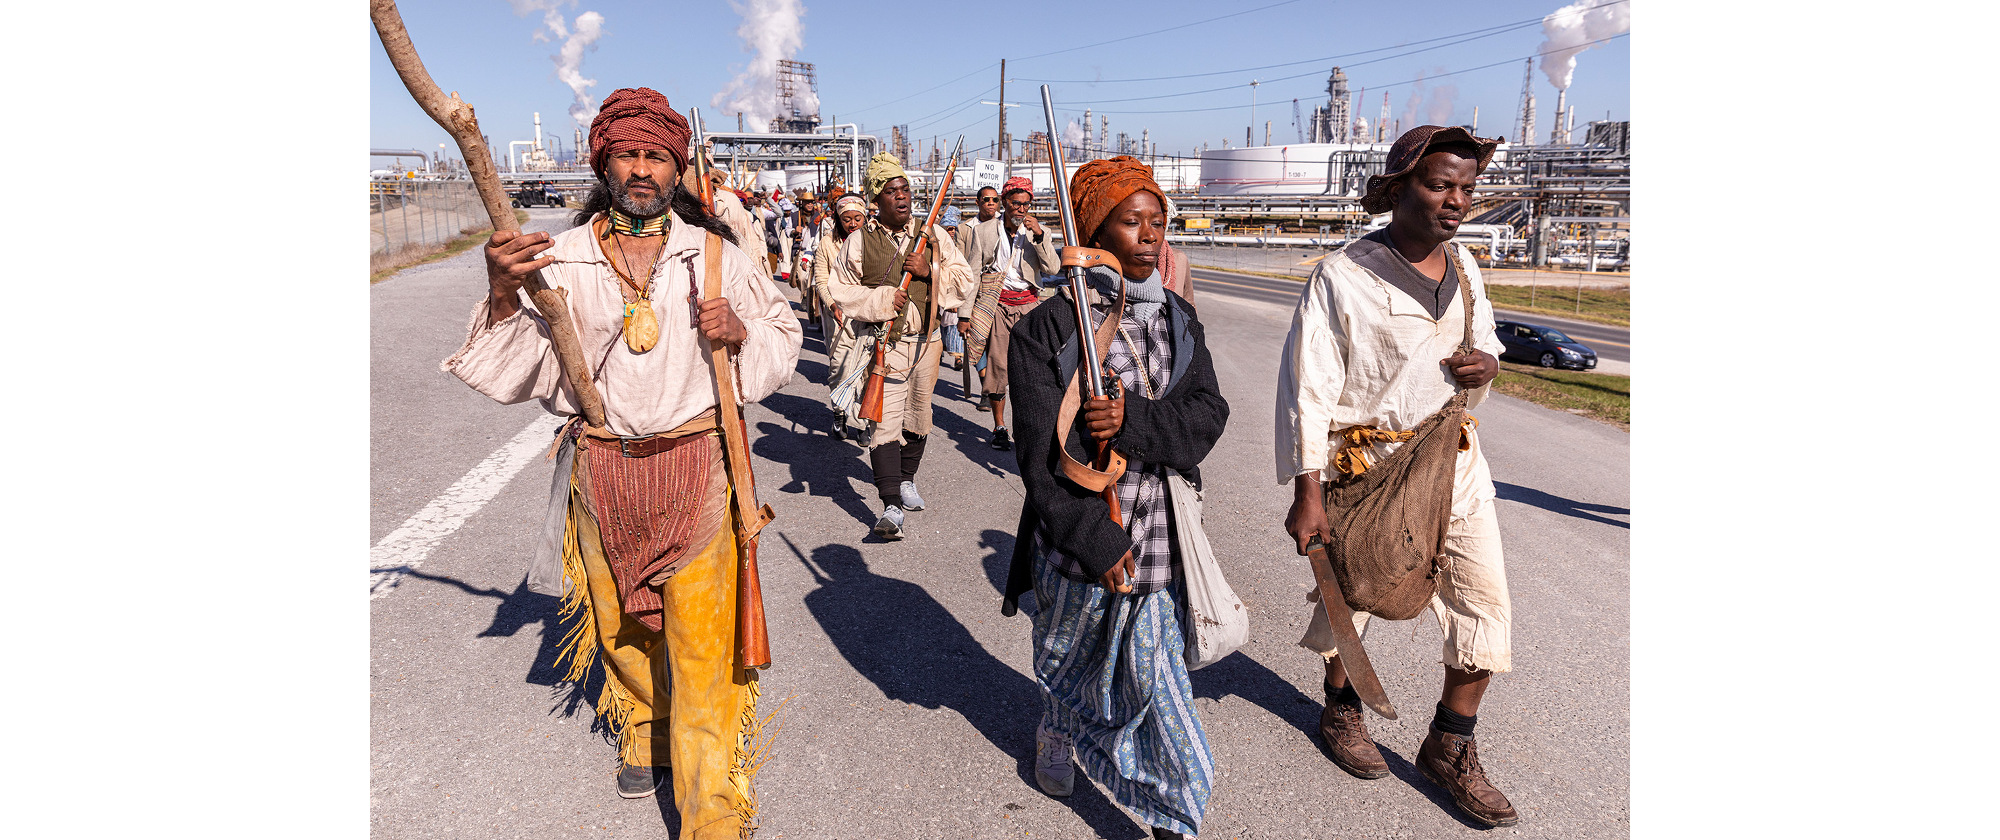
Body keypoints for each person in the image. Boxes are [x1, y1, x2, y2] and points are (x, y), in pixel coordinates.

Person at [441, 87, 802, 837]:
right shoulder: (560, 259)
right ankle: (645, 726)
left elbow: (782, 332)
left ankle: (712, 814)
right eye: (628, 154)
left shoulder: (716, 256)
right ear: (604, 164)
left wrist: (739, 332)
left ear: (678, 168)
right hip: (603, 472)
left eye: (657, 156)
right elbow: (521, 366)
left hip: (697, 469)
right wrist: (504, 293)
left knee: (706, 652)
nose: (642, 169)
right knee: (623, 633)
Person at [1274, 125, 1518, 827]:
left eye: (1466, 188)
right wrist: (1309, 493)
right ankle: (1341, 707)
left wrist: (1487, 365)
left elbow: (1488, 341)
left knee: (1485, 604)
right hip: (1370, 468)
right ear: (1398, 188)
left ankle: (1450, 744)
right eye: (1440, 185)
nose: (1456, 201)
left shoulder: (1465, 267)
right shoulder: (1343, 276)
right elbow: (1308, 391)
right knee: (1357, 594)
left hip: (1455, 461)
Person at [1001, 156, 1229, 840]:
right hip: (1078, 536)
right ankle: (1057, 728)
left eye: (1159, 221)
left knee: (1159, 685)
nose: (1150, 235)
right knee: (1067, 657)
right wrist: (1096, 540)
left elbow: (1209, 415)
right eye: (1132, 222)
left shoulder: (1178, 318)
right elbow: (1039, 458)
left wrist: (1133, 421)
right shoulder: (1048, 328)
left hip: (1157, 535)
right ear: (1096, 231)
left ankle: (1176, 817)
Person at [825, 153, 975, 539]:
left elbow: (964, 279)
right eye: (892, 191)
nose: (902, 196)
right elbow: (840, 289)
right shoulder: (859, 240)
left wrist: (931, 270)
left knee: (919, 416)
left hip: (928, 343)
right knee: (885, 422)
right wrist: (881, 300)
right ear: (877, 199)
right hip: (885, 345)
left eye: (905, 189)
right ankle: (890, 505)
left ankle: (907, 479)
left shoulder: (933, 235)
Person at [958, 175, 1059, 451]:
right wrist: (964, 315)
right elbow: (973, 273)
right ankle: (1000, 426)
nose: (1021, 210)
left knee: (1033, 369)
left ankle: (1030, 427)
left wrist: (1039, 237)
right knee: (998, 368)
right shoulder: (984, 231)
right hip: (998, 306)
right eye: (1016, 204)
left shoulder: (1039, 231)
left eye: (1026, 205)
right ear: (1005, 203)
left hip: (1028, 306)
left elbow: (1052, 269)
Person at [815, 191, 870, 439]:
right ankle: (839, 413)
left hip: (869, 314)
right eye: (847, 219)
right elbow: (821, 279)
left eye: (857, 218)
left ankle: (866, 422)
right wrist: (832, 305)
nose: (853, 224)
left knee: (868, 369)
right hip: (839, 316)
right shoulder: (827, 244)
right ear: (839, 219)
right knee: (840, 366)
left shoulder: (874, 241)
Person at [937, 204, 967, 371]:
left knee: (954, 325)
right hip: (939, 288)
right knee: (939, 324)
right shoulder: (935, 243)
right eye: (948, 228)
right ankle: (938, 351)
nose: (951, 232)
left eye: (953, 228)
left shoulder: (960, 245)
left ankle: (958, 357)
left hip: (955, 289)